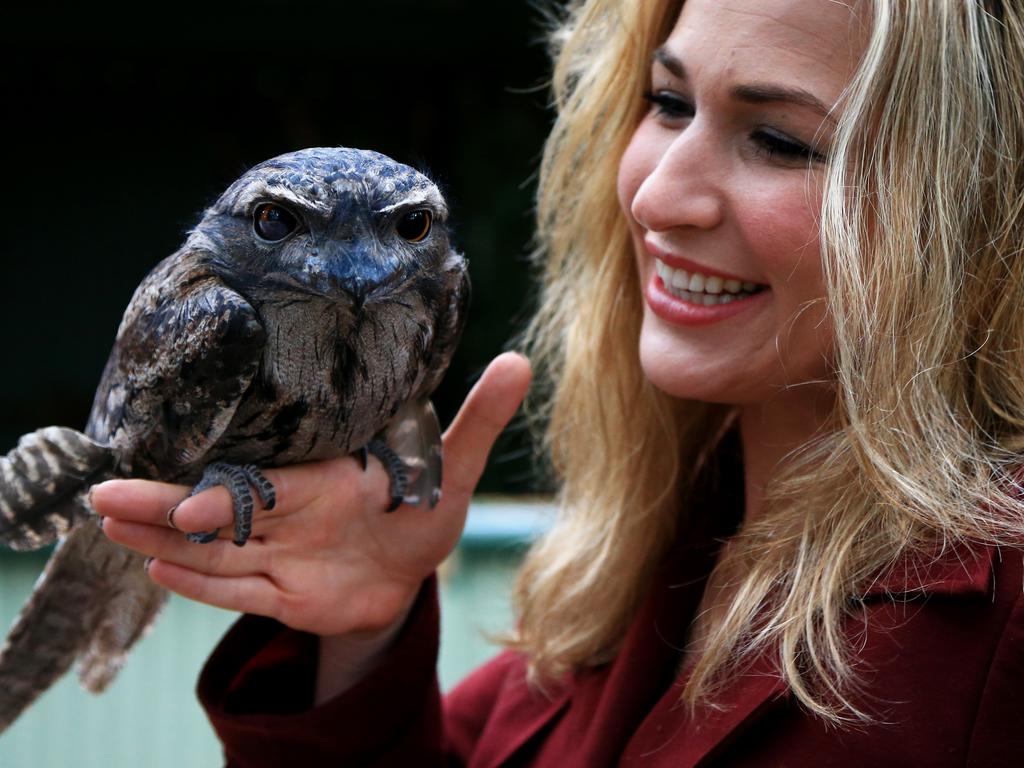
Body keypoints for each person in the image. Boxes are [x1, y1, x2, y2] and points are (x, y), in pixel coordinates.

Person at [93, 0, 1024, 764]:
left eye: (779, 140)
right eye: (667, 102)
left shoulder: (1000, 613)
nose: (658, 195)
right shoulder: (639, 566)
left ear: (968, 200)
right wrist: (361, 639)